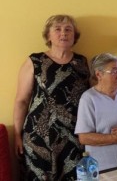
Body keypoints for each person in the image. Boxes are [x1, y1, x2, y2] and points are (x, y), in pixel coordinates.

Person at [13, 14, 90, 180]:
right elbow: (22, 100)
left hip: (73, 138)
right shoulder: (35, 61)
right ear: (48, 35)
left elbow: (89, 100)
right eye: (57, 29)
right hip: (38, 138)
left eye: (68, 29)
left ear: (74, 36)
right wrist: (17, 135)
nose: (63, 33)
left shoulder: (82, 62)